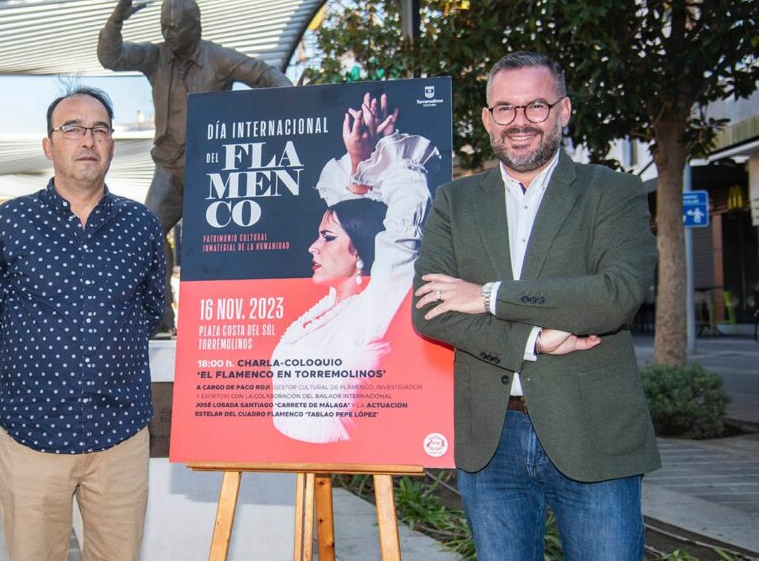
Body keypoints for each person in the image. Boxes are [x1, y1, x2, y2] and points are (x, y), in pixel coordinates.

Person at [412, 51, 659, 560]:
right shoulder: (453, 202)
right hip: (491, 438)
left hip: (593, 432)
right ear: (487, 119)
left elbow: (615, 296)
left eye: (536, 107)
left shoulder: (612, 193)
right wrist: (533, 341)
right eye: (505, 108)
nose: (519, 121)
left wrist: (487, 295)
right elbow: (431, 310)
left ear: (564, 111)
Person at [0, 86, 165, 561]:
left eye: (99, 129)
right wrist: (26, 375)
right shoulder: (7, 224)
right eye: (73, 128)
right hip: (33, 435)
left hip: (120, 436)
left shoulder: (142, 226)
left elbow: (152, 309)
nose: (88, 140)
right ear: (49, 145)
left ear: (112, 144)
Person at [98, 0, 292, 332]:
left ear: (195, 27)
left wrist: (296, 99)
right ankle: (159, 317)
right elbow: (110, 57)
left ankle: (211, 319)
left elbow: (264, 74)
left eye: (175, 28)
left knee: (211, 248)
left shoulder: (217, 58)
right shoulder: (156, 57)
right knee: (148, 235)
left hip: (210, 171)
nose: (168, 35)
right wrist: (118, 17)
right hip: (169, 167)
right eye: (164, 27)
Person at [272, 93, 436, 443]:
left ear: (360, 252)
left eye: (327, 238)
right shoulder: (331, 305)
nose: (313, 247)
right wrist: (362, 162)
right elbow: (354, 217)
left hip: (341, 460)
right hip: (286, 457)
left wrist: (389, 153)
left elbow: (401, 225)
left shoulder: (372, 309)